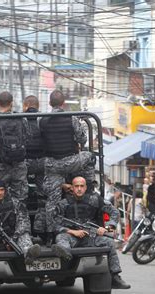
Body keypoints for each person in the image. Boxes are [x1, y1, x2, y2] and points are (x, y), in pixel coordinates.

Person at [51, 176, 131, 289]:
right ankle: (66, 262)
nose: (79, 189)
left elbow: (114, 212)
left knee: (109, 242)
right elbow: (54, 223)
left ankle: (115, 277)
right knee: (61, 238)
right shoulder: (63, 203)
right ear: (72, 188)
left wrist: (107, 228)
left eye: (81, 186)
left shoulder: (94, 200)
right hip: (71, 236)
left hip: (90, 236)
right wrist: (72, 232)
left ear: (85, 187)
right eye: (76, 186)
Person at [39, 90, 96, 238]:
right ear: (63, 103)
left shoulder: (43, 120)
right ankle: (88, 187)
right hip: (70, 162)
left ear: (50, 103)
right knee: (90, 156)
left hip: (52, 165)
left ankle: (51, 234)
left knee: (52, 201)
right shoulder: (71, 118)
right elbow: (82, 140)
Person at [0, 91, 30, 202]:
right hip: (19, 165)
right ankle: (20, 218)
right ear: (11, 103)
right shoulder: (21, 118)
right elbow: (28, 138)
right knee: (20, 200)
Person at [23, 95, 47, 236]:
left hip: (24, 163)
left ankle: (24, 229)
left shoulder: (19, 119)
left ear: (25, 106)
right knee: (43, 198)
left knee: (20, 197)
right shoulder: (43, 119)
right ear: (38, 106)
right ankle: (39, 227)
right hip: (42, 163)